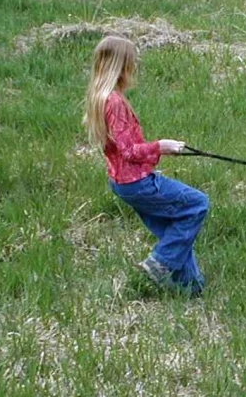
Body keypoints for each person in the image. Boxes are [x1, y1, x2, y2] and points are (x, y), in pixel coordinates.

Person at [83, 35, 208, 296]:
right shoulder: (115, 103)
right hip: (137, 182)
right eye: (132, 63)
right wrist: (161, 146)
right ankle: (160, 263)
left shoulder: (101, 97)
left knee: (174, 228)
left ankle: (191, 286)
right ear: (121, 67)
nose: (134, 68)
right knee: (197, 204)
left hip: (122, 182)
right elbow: (129, 152)